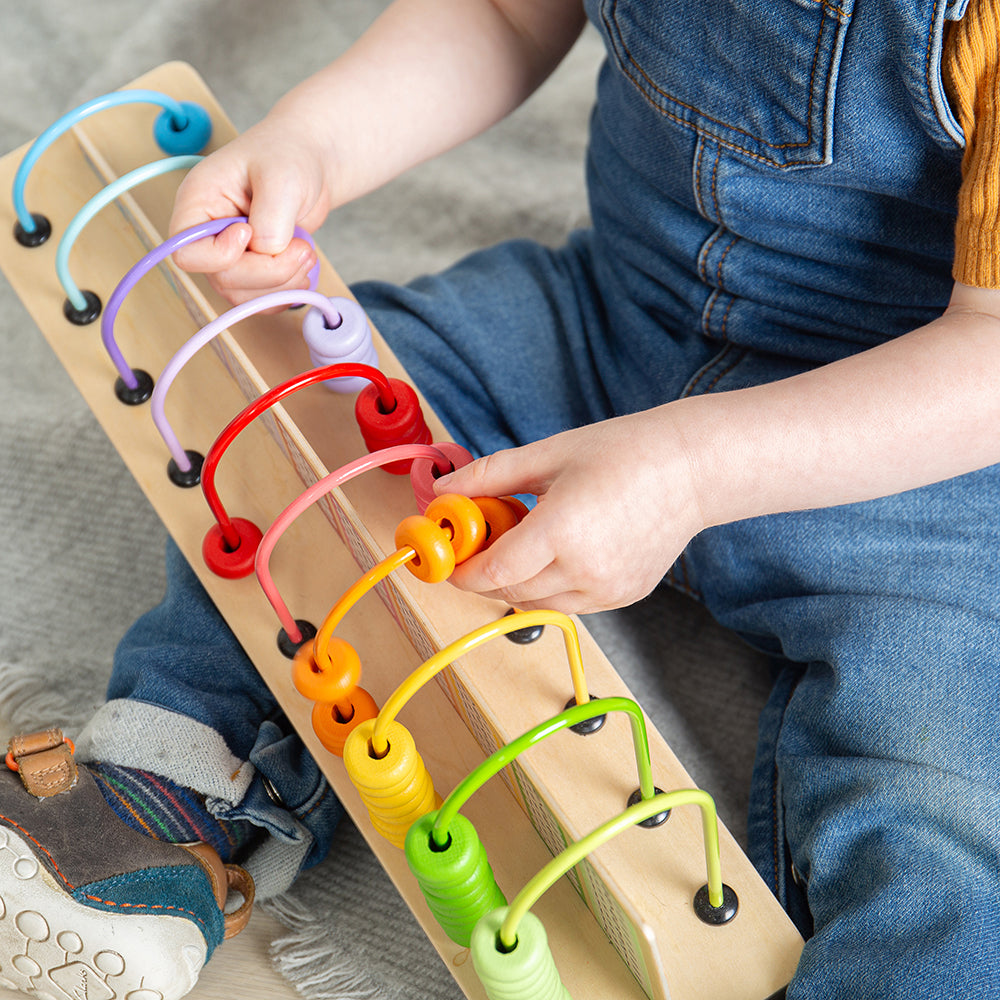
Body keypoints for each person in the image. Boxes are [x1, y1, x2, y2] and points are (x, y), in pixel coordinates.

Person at [2, 1, 999, 998]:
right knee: (317, 430)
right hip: (609, 327)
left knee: (946, 805)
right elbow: (502, 16)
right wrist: (315, 143)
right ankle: (161, 799)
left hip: (906, 465)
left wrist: (692, 471)